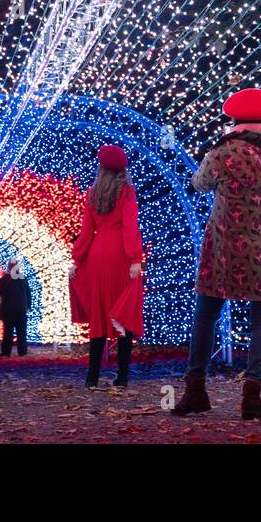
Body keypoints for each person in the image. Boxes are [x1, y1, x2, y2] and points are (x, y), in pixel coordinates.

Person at [173, 87, 261, 420]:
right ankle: (252, 397)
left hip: (225, 247)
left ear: (233, 119)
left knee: (205, 316)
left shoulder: (223, 153)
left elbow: (199, 183)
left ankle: (195, 391)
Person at [70, 145, 144, 389]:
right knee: (122, 315)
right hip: (119, 256)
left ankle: (92, 377)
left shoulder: (92, 193)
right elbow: (129, 227)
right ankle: (122, 377)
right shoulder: (127, 192)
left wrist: (78, 259)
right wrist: (135, 258)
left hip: (96, 256)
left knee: (99, 316)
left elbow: (86, 232)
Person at [0, 260, 31, 357]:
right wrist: (28, 306)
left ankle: (6, 352)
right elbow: (28, 293)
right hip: (21, 309)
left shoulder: (5, 278)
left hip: (8, 310)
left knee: (8, 332)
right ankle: (22, 351)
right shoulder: (22, 278)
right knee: (21, 332)